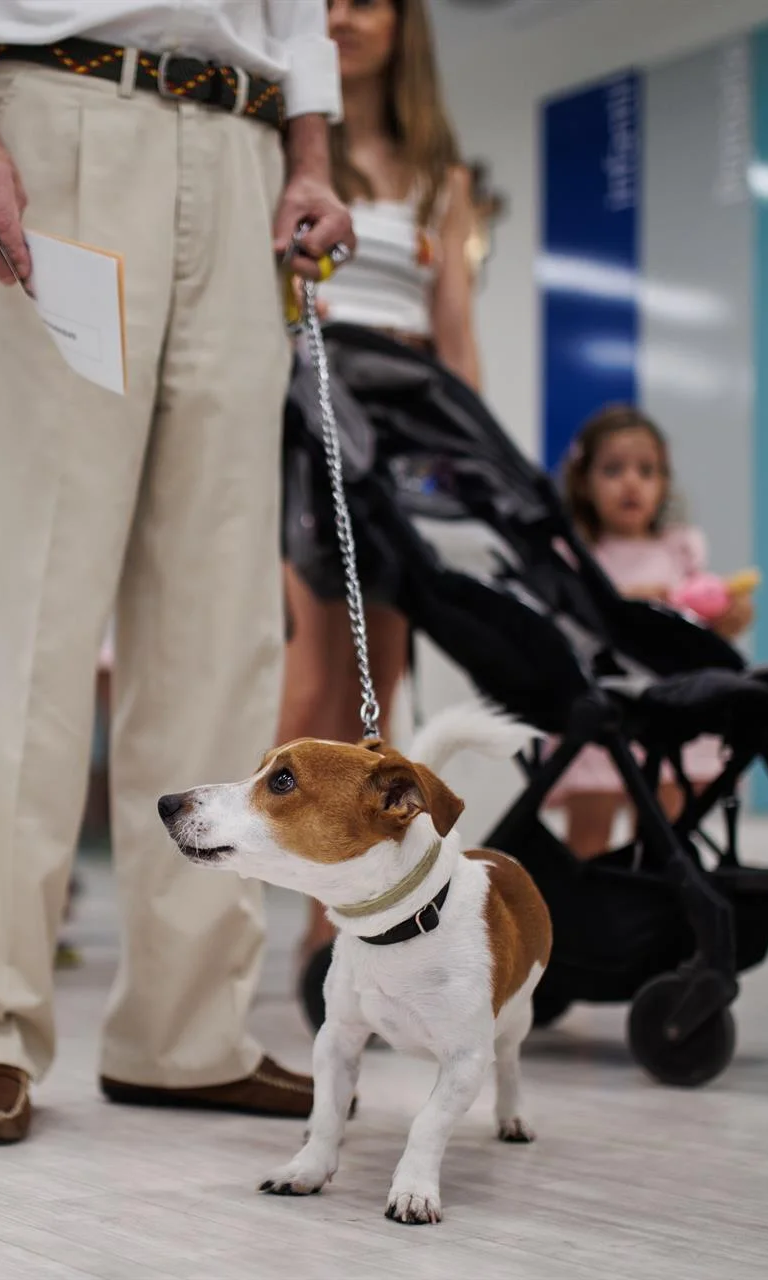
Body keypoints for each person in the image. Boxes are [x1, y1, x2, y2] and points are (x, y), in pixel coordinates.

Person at [0, 0, 354, 1146]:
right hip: (49, 119)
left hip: (244, 149)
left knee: (219, 626)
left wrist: (310, 154)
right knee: (21, 605)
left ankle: (186, 1035)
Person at [279, 0, 483, 969]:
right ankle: (232, 909)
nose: (343, 16)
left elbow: (454, 330)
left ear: (408, 28)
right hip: (312, 415)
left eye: (368, 1)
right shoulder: (288, 150)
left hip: (407, 438)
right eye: (326, 0)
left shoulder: (446, 179)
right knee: (317, 669)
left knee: (379, 684)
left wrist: (474, 454)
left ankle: (345, 920)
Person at [548, 405, 755, 858]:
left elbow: (695, 628)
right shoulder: (577, 556)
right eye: (613, 469)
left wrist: (725, 621)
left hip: (669, 711)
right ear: (583, 482)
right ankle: (584, 919)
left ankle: (654, 911)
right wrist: (623, 604)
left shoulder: (678, 549)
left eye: (647, 471)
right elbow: (563, 625)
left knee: (664, 831)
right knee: (587, 838)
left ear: (664, 484)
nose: (631, 482)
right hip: (600, 711)